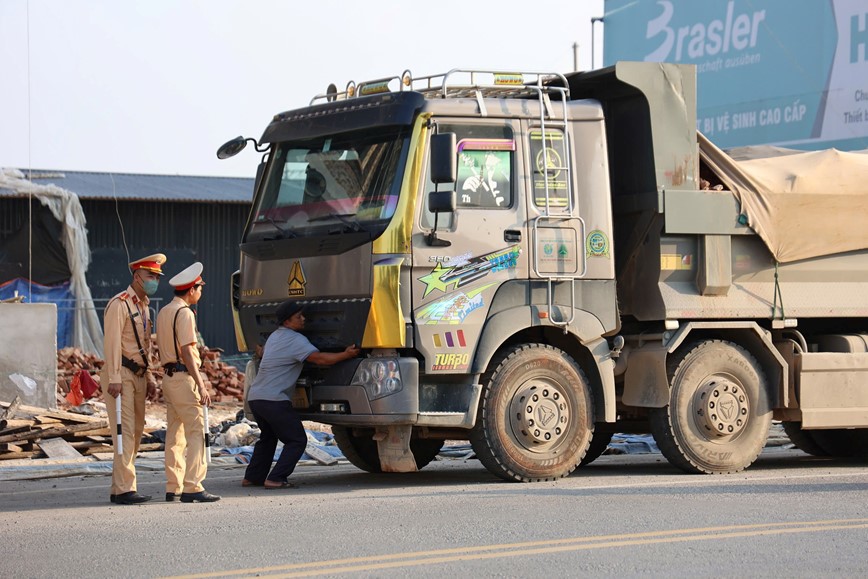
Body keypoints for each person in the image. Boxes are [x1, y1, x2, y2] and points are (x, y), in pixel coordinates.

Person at [242, 300, 360, 489]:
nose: (304, 319)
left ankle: (253, 477)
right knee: (297, 440)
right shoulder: (295, 340)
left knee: (268, 437)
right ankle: (276, 478)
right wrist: (346, 355)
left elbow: (263, 352)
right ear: (288, 321)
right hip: (274, 399)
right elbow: (320, 359)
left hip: (256, 397)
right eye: (299, 316)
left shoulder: (274, 336)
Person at [101, 253, 164, 505]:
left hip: (137, 374)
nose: (155, 281)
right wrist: (114, 377)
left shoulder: (144, 305)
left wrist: (148, 375)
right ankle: (126, 488)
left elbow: (144, 345)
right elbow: (112, 343)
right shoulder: (121, 304)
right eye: (151, 276)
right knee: (125, 431)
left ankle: (120, 488)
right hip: (122, 374)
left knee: (136, 431)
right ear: (137, 277)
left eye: (157, 277)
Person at [156, 262, 220, 503]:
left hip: (169, 378)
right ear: (191, 290)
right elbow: (186, 351)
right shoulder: (184, 314)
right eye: (200, 289)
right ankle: (193, 485)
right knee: (196, 431)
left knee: (175, 433)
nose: (200, 294)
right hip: (183, 378)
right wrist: (201, 384)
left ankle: (174, 486)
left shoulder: (164, 312)